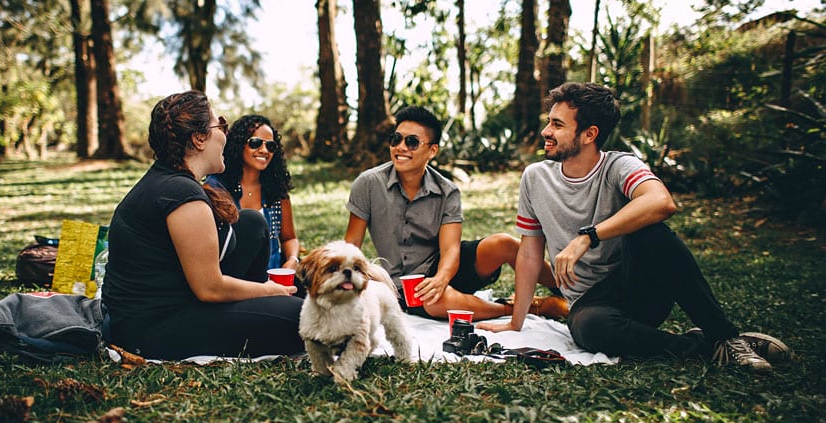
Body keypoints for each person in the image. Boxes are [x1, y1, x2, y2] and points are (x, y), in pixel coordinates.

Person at [478, 82, 790, 373]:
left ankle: (727, 335)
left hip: (639, 288)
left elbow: (661, 202)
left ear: (589, 134)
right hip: (590, 305)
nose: (546, 131)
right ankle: (707, 346)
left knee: (651, 231)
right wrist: (515, 323)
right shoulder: (535, 178)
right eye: (549, 121)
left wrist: (589, 236)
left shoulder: (619, 165)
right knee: (590, 329)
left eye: (558, 125)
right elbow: (530, 254)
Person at [102, 91, 304, 360]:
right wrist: (269, 290)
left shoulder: (173, 181)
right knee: (302, 318)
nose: (225, 133)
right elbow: (210, 288)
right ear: (199, 139)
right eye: (220, 124)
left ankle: (265, 306)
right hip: (152, 327)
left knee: (251, 223)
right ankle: (270, 307)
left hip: (177, 300)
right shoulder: (180, 194)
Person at [344, 105, 563, 321]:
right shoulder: (368, 184)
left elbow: (450, 249)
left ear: (432, 151)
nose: (401, 147)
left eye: (411, 142)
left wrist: (440, 279)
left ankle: (567, 289)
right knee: (434, 300)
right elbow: (351, 245)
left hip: (445, 268)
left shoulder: (447, 191)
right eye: (396, 139)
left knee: (504, 243)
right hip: (405, 285)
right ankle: (529, 308)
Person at [206, 114, 300, 272]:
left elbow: (289, 238)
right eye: (255, 143)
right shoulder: (216, 188)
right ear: (238, 144)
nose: (264, 150)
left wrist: (292, 260)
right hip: (234, 281)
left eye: (270, 146)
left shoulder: (276, 189)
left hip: (275, 278)